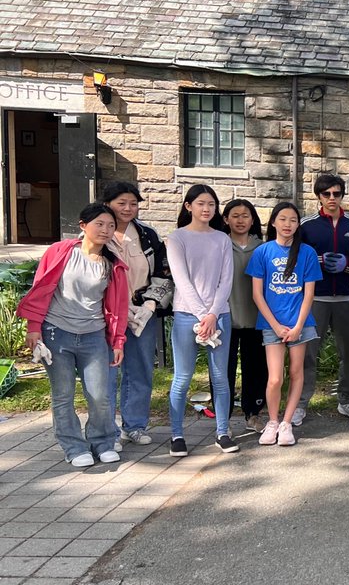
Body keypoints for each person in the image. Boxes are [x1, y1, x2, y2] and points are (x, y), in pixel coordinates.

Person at [18, 203, 128, 467]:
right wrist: (34, 328)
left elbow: (118, 308)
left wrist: (118, 340)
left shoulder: (113, 265)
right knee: (63, 394)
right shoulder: (60, 252)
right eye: (99, 224)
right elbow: (40, 290)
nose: (105, 230)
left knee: (100, 394)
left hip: (93, 336)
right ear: (83, 226)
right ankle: (73, 447)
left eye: (111, 225)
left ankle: (102, 441)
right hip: (57, 334)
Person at [165, 184, 236, 457]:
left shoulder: (222, 239)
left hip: (219, 316)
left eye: (211, 204)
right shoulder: (177, 238)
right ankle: (177, 434)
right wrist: (201, 314)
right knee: (182, 378)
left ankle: (222, 431)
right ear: (188, 206)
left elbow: (226, 280)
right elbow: (181, 279)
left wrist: (212, 314)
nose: (206, 209)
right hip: (185, 315)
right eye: (201, 204)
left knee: (220, 378)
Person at [101, 182, 172, 449]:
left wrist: (150, 304)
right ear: (108, 204)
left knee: (140, 369)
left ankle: (135, 425)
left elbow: (163, 273)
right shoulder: (99, 232)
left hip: (143, 312)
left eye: (133, 203)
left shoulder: (147, 234)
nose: (128, 208)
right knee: (108, 371)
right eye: (121, 203)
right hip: (107, 314)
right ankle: (107, 431)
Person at [248, 202, 323, 447]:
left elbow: (308, 293)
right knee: (275, 378)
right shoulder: (262, 252)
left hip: (300, 324)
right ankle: (272, 421)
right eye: (282, 219)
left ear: (298, 224)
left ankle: (287, 423)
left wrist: (299, 325)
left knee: (296, 373)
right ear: (273, 223)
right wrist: (276, 326)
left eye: (292, 220)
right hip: (272, 325)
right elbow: (257, 295)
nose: (287, 224)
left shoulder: (307, 253)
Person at [297, 173, 349, 425]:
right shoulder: (307, 225)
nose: (332, 198)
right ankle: (300, 403)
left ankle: (346, 399)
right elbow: (295, 259)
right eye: (326, 194)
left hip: (346, 298)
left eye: (336, 193)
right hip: (315, 299)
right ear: (319, 196)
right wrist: (318, 261)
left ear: (342, 195)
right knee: (308, 353)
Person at [223, 199, 267, 433]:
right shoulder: (218, 244)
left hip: (256, 318)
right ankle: (223, 418)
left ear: (253, 220)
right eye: (235, 215)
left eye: (246, 216)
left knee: (257, 368)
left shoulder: (263, 248)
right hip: (225, 318)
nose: (241, 220)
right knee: (223, 370)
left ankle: (253, 414)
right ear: (226, 219)